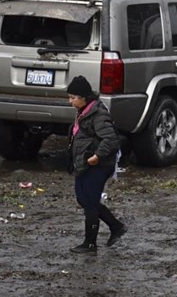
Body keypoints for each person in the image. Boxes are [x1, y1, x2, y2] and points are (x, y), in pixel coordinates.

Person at [66, 75, 127, 254]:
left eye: (73, 97)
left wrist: (97, 156)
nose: (70, 101)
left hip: (98, 165)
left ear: (84, 98)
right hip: (84, 164)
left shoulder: (98, 114)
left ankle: (90, 243)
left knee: (90, 202)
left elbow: (111, 139)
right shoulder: (83, 112)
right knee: (83, 198)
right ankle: (116, 226)